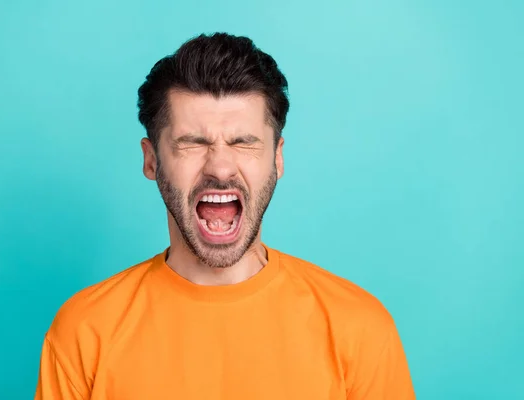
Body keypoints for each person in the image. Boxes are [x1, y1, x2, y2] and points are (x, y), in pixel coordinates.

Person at [34, 32, 416, 400]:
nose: (220, 167)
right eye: (193, 143)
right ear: (151, 160)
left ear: (277, 158)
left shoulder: (359, 328)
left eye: (243, 142)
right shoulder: (84, 331)